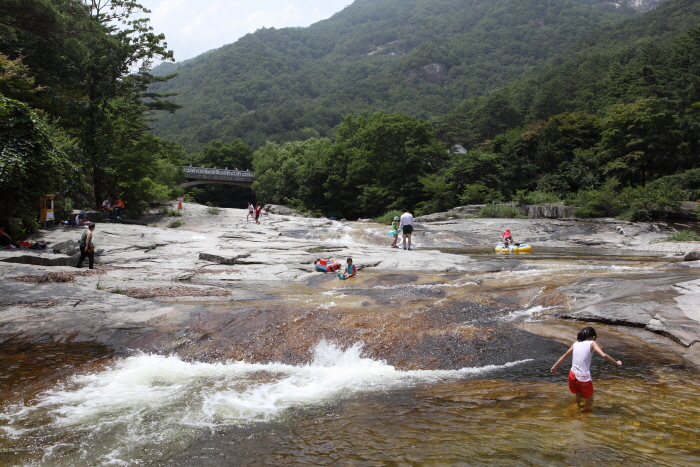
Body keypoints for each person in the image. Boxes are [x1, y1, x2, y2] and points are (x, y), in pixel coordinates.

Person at [550, 326, 622, 411]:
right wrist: (616, 363)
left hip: (572, 375)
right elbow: (604, 355)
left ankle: (577, 409)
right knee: (590, 399)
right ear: (593, 337)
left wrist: (554, 366)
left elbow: (564, 356)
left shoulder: (575, 343)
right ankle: (583, 413)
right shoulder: (592, 343)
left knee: (579, 396)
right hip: (584, 377)